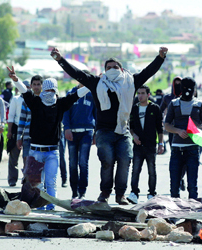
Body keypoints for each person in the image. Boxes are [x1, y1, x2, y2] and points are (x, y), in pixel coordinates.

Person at [51, 46, 167, 205]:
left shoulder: (131, 81)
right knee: (107, 160)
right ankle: (105, 192)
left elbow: (148, 71)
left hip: (123, 130)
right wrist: (60, 60)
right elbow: (76, 73)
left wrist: (160, 57)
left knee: (125, 160)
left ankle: (120, 195)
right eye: (109, 67)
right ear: (104, 70)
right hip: (104, 131)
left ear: (121, 69)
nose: (112, 69)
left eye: (115, 67)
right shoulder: (97, 82)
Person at [7, 65, 90, 210]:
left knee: (51, 182)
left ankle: (51, 208)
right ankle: (39, 208)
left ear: (56, 90)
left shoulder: (60, 104)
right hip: (35, 151)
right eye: (47, 90)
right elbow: (25, 91)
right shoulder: (35, 102)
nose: (49, 93)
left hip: (52, 152)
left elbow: (77, 95)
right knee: (37, 184)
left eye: (52, 90)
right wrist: (16, 80)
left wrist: (90, 85)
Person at [164, 77, 202, 199]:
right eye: (185, 89)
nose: (188, 91)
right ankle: (174, 214)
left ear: (194, 90)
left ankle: (191, 216)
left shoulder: (200, 104)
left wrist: (198, 129)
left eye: (191, 89)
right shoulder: (174, 104)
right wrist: (178, 131)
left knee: (192, 186)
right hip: (177, 149)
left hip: (193, 149)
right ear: (181, 89)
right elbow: (166, 124)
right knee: (174, 185)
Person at [127, 85, 164, 204]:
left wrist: (161, 143)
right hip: (138, 145)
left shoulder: (155, 108)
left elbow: (160, 128)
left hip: (151, 144)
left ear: (148, 95)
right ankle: (134, 193)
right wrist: (134, 136)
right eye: (138, 93)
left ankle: (151, 193)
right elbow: (130, 126)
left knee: (151, 170)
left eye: (143, 93)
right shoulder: (134, 108)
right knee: (135, 169)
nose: (140, 96)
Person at [63, 82, 96, 199]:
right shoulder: (71, 93)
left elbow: (96, 113)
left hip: (87, 132)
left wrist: (96, 132)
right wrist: (66, 128)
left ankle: (82, 191)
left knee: (83, 163)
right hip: (72, 132)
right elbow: (65, 113)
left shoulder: (92, 94)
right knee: (72, 163)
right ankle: (74, 191)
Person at [17, 75, 43, 166]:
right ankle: (27, 180)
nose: (36, 87)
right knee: (27, 164)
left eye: (38, 84)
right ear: (31, 86)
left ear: (42, 86)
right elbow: (22, 120)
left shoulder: (46, 100)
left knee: (40, 164)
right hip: (28, 137)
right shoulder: (26, 101)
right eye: (34, 84)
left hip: (42, 138)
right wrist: (19, 137)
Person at [7, 81, 29, 187]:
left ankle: (26, 179)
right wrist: (10, 131)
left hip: (29, 129)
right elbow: (11, 116)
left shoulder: (33, 99)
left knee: (28, 157)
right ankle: (12, 179)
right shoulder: (16, 99)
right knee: (13, 156)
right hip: (16, 128)